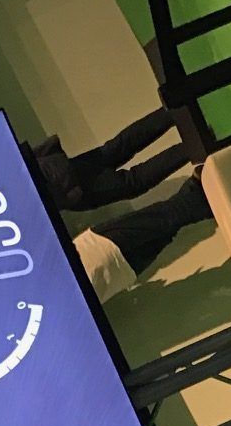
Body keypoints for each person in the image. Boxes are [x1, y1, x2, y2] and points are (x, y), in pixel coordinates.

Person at [72, 178, 214, 302]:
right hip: (97, 250)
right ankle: (202, 188)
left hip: (118, 275)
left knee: (168, 225)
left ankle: (199, 193)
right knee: (169, 216)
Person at [33, 109, 190, 214]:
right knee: (115, 149)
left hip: (59, 187)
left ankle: (189, 146)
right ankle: (173, 111)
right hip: (48, 169)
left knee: (133, 182)